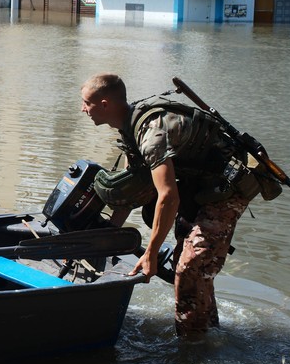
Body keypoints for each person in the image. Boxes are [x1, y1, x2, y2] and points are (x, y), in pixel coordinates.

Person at [80, 73, 255, 339]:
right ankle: (209, 332)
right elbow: (131, 190)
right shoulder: (130, 129)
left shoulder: (151, 133)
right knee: (187, 265)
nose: (83, 109)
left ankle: (192, 349)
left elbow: (168, 196)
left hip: (227, 188)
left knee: (190, 266)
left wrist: (150, 254)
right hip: (198, 187)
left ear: (105, 104)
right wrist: (105, 237)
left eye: (86, 103)